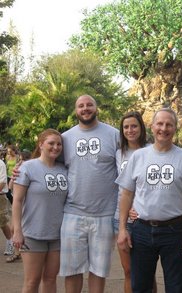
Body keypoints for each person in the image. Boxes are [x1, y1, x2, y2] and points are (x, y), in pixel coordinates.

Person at [116, 108, 182, 292]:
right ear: (152, 126)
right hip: (141, 230)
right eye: (160, 124)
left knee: (175, 287)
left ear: (174, 128)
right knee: (140, 287)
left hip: (175, 232)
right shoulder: (138, 157)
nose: (163, 128)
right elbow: (126, 194)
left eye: (169, 124)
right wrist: (123, 229)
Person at [59, 94, 119, 293]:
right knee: (72, 270)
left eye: (89, 105)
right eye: (81, 106)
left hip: (105, 215)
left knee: (98, 271)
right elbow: (49, 164)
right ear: (76, 110)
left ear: (96, 108)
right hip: (73, 213)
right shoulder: (65, 138)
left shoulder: (114, 135)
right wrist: (22, 169)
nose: (85, 109)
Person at [12, 129, 68, 293]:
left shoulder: (64, 169)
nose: (55, 147)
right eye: (51, 143)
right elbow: (17, 200)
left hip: (57, 235)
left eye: (59, 144)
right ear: (41, 144)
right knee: (32, 281)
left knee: (50, 279)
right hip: (33, 234)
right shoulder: (27, 167)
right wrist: (17, 231)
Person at [113, 111, 157, 293]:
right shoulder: (118, 153)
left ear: (141, 128)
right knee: (129, 271)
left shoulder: (152, 150)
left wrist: (138, 206)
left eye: (134, 126)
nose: (130, 130)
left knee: (147, 273)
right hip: (122, 219)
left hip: (144, 219)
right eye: (126, 127)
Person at [0, 157, 13, 257]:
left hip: (0, 197)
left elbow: (2, 183)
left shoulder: (1, 164)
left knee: (2, 222)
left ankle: (10, 242)